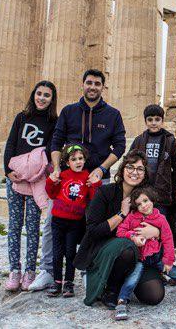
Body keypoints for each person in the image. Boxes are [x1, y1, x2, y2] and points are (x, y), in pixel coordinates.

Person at [31, 69, 127, 291]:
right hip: (67, 179)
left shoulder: (112, 114)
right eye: (89, 83)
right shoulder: (69, 111)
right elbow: (56, 142)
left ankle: (89, 270)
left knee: (94, 226)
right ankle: (47, 271)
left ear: (103, 87)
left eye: (97, 84)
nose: (92, 87)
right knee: (51, 224)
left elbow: (120, 146)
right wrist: (56, 169)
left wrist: (101, 169)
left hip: (96, 180)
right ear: (82, 85)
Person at [73, 151, 166, 308]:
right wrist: (122, 214)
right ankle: (111, 289)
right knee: (126, 247)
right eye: (130, 167)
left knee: (154, 295)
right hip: (104, 249)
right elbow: (93, 231)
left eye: (140, 169)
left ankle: (126, 278)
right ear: (122, 169)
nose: (134, 172)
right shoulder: (105, 192)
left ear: (145, 174)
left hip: (139, 255)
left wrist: (156, 232)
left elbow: (163, 226)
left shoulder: (147, 197)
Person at [114, 186, 176, 320]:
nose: (144, 206)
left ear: (152, 200)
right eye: (139, 204)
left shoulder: (161, 219)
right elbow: (120, 232)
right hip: (140, 259)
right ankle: (122, 302)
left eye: (146, 201)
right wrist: (133, 236)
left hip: (157, 258)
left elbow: (168, 240)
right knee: (132, 279)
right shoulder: (131, 218)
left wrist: (168, 260)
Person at [3, 80, 58, 292]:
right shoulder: (21, 117)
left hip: (36, 179)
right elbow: (11, 145)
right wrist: (8, 172)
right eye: (39, 94)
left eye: (47, 95)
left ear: (52, 99)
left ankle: (30, 271)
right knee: (15, 225)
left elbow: (52, 148)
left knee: (34, 226)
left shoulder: (54, 122)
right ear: (33, 95)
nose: (42, 98)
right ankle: (14, 270)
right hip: (15, 177)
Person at [44, 144, 101, 298]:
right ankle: (57, 281)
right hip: (58, 221)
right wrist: (50, 181)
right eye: (73, 159)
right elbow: (51, 193)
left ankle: (69, 282)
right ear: (67, 162)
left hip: (75, 223)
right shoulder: (63, 175)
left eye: (80, 158)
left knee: (70, 253)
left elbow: (94, 198)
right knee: (57, 253)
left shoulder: (87, 177)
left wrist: (95, 183)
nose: (78, 162)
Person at [128, 104, 176, 217]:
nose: (153, 123)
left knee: (160, 220)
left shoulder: (171, 141)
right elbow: (128, 163)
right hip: (142, 188)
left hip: (162, 190)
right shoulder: (139, 140)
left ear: (162, 120)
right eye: (150, 119)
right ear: (145, 121)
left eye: (157, 119)